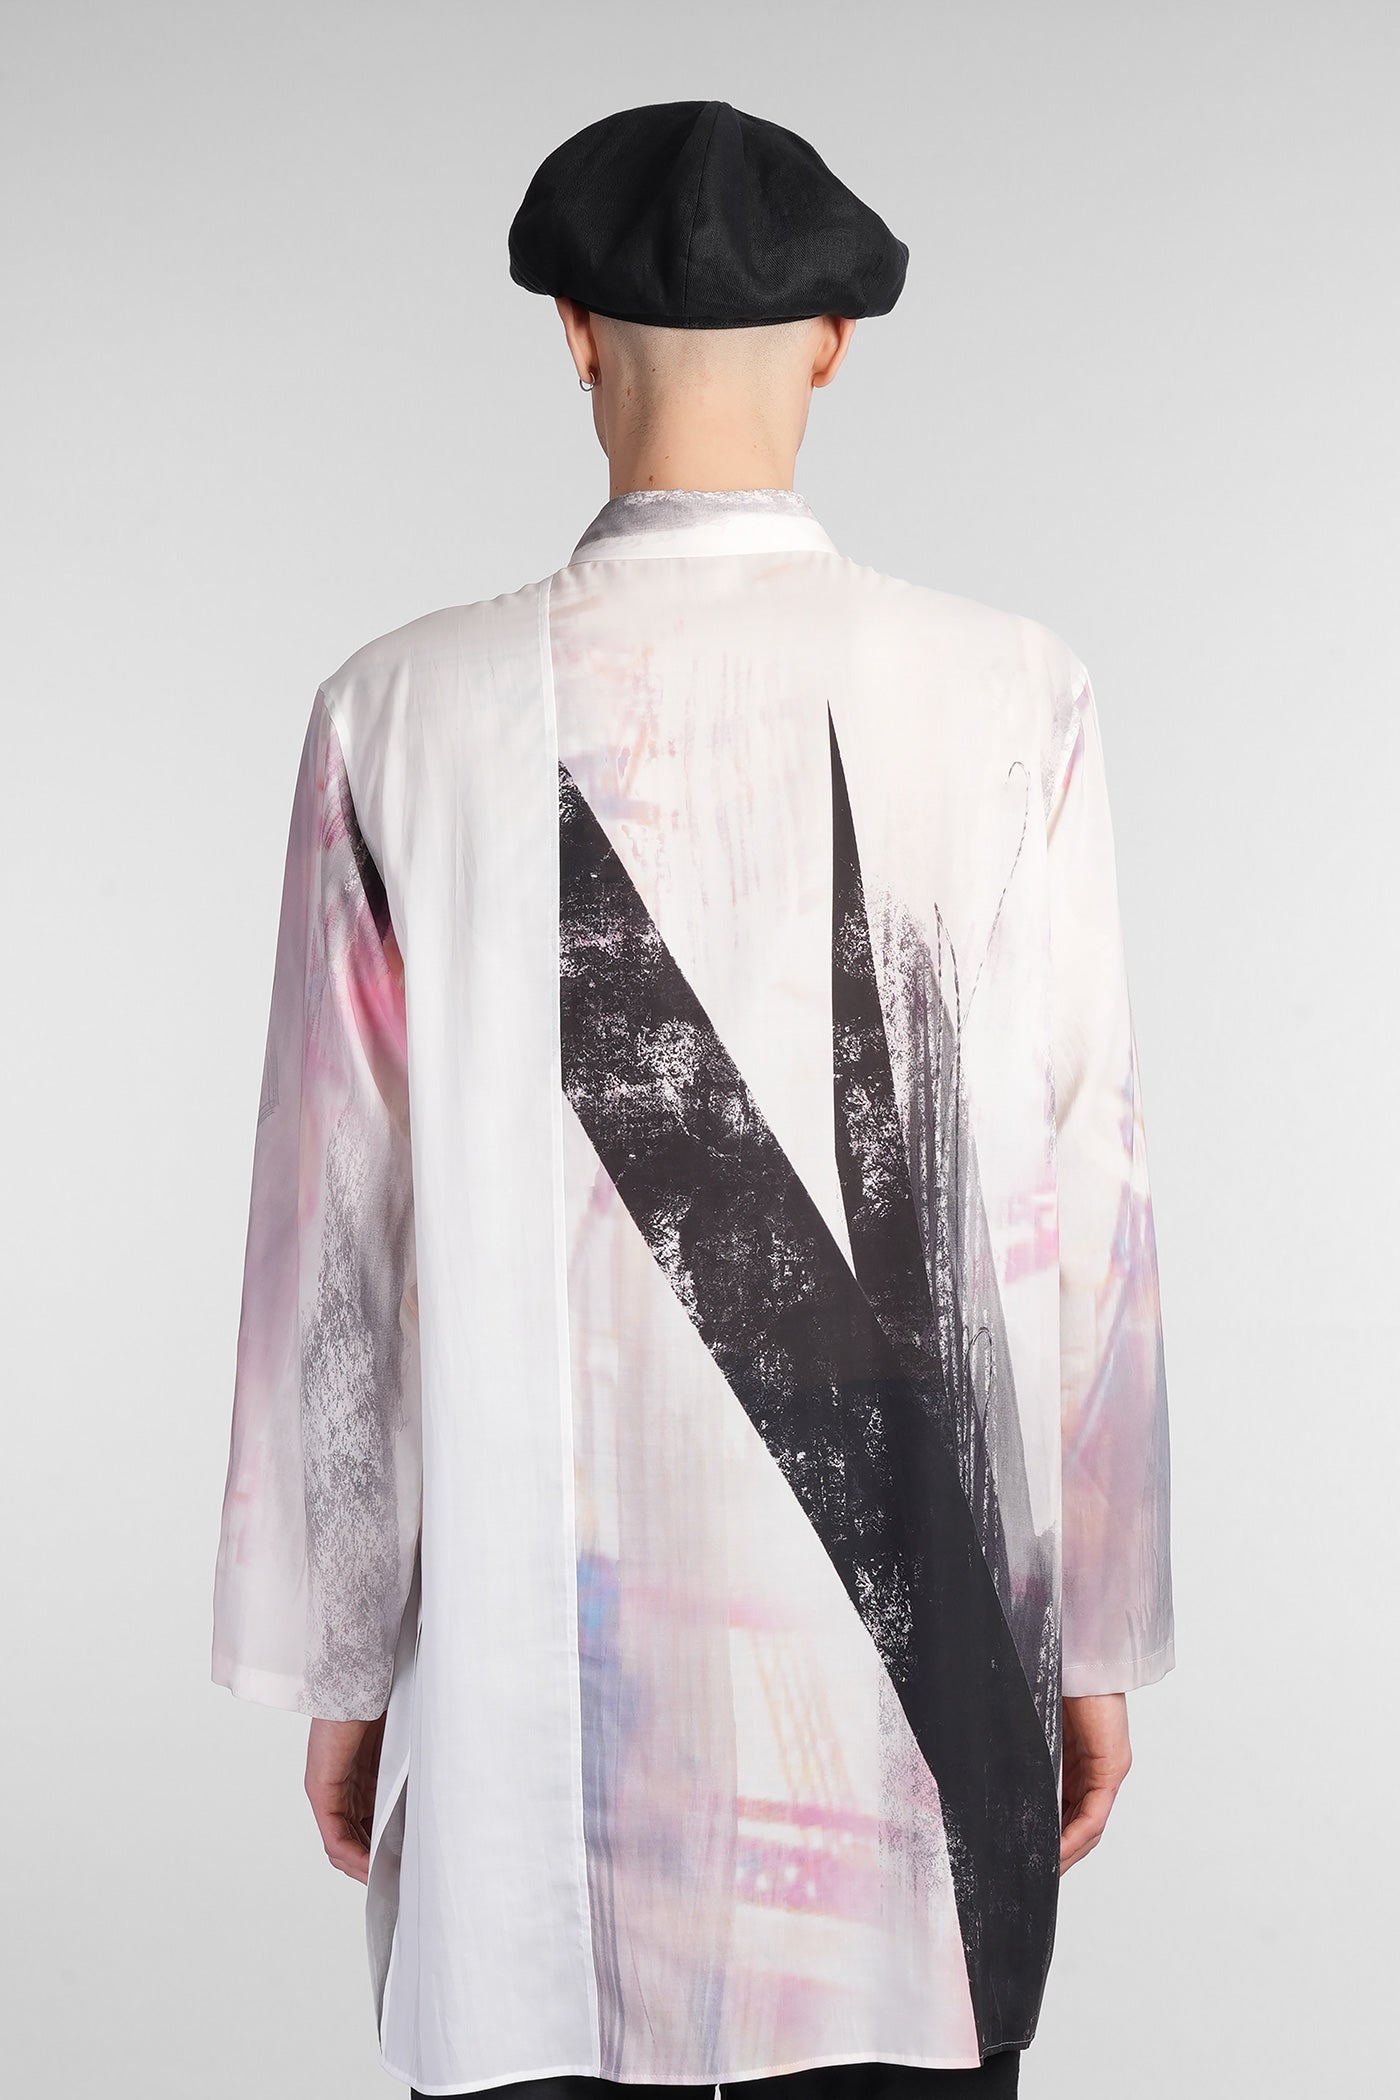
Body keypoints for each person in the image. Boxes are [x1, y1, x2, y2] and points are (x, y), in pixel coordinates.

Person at [212, 99, 1174, 2100]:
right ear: (833, 343)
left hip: (533, 1715)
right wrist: (1090, 1627)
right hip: (917, 1704)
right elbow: (1085, 1196)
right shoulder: (1014, 696)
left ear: (570, 333)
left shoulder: (396, 715)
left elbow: (337, 1256)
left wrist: (341, 1665)